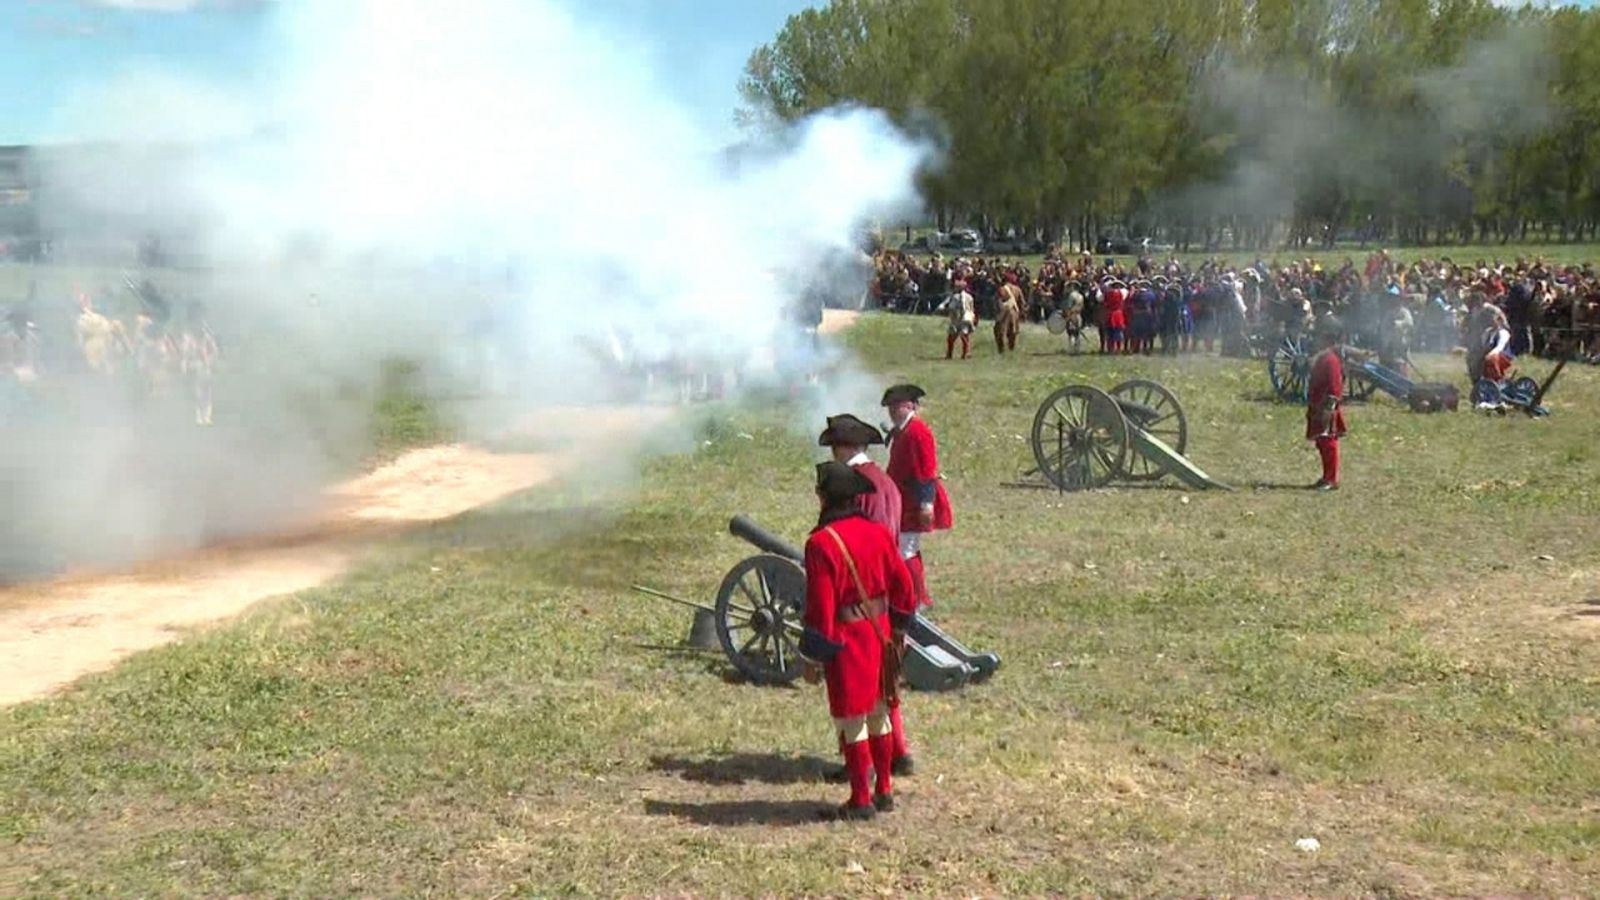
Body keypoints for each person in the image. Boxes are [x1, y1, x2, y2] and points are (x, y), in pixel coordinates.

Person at [798, 461, 918, 821]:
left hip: (849, 638)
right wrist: (897, 628)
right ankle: (884, 788)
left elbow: (821, 608)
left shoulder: (821, 544)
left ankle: (861, 799)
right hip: (880, 632)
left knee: (853, 720)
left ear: (824, 498)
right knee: (880, 712)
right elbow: (904, 585)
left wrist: (815, 654)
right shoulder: (880, 533)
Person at [818, 413, 919, 775]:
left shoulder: (855, 485)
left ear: (846, 448)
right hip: (887, 584)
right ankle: (899, 752)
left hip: (863, 589)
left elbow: (852, 537)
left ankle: (859, 765)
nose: (833, 456)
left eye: (834, 448)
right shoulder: (885, 480)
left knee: (860, 687)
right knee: (883, 678)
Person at [882, 384, 952, 609]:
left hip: (914, 500)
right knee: (906, 547)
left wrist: (926, 504)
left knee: (906, 549)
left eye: (897, 406)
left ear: (910, 405)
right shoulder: (903, 429)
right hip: (904, 499)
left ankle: (917, 599)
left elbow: (926, 471)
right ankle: (914, 595)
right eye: (890, 408)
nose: (892, 412)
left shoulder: (918, 432)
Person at [1306, 318, 1348, 491]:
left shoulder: (1330, 359)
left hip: (1326, 407)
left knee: (1328, 442)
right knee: (1322, 443)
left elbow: (1333, 386)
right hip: (1319, 405)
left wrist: (1328, 409)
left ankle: (1331, 479)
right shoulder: (1324, 357)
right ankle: (1326, 477)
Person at [945, 281, 975, 359]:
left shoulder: (955, 297)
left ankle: (949, 354)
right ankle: (965, 353)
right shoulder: (969, 297)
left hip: (957, 319)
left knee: (951, 337)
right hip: (966, 318)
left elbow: (952, 308)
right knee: (965, 337)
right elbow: (972, 309)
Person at [994, 276, 1022, 354]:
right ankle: (1011, 348)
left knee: (999, 330)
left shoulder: (1002, 289)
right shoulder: (1017, 289)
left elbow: (998, 302)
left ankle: (1001, 350)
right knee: (1012, 331)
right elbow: (1021, 302)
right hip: (1014, 312)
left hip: (1005, 312)